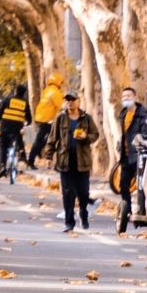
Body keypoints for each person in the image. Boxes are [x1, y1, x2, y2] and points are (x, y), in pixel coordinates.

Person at [48, 86, 99, 231]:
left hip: (82, 161)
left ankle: (83, 212)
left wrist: (85, 137)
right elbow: (53, 138)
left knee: (83, 193)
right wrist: (49, 155)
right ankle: (69, 222)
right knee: (67, 193)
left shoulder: (86, 118)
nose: (70, 103)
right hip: (65, 161)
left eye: (73, 100)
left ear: (79, 101)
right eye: (68, 100)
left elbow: (95, 135)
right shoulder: (60, 118)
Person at [115, 85, 147, 221]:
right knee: (123, 185)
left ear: (134, 97)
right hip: (125, 156)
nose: (126, 99)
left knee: (142, 184)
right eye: (124, 97)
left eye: (128, 96)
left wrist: (141, 139)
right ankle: (127, 211)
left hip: (139, 155)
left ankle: (143, 210)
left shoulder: (142, 114)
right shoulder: (123, 114)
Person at [26, 68, 64, 171]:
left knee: (43, 141)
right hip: (47, 120)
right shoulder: (55, 92)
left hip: (40, 118)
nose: (61, 84)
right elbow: (62, 106)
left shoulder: (47, 90)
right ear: (58, 81)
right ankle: (53, 163)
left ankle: (35, 157)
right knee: (58, 140)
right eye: (61, 82)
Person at [0, 85, 30, 175]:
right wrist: (26, 123)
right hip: (17, 130)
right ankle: (23, 161)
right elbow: (29, 119)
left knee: (3, 147)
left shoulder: (7, 100)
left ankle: (3, 166)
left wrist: (2, 118)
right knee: (20, 144)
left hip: (5, 128)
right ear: (24, 94)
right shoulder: (25, 103)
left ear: (15, 91)